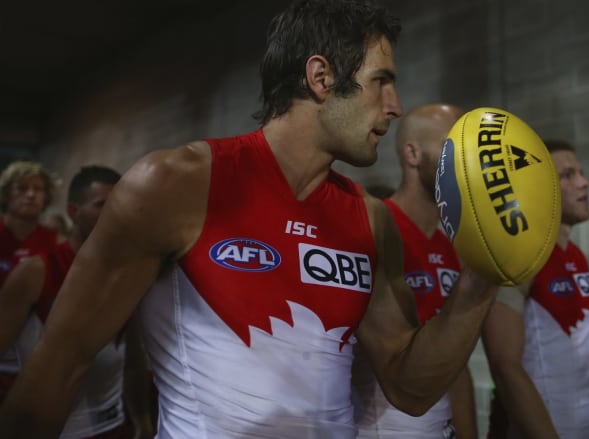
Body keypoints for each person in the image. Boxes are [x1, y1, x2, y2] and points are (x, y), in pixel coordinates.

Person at [0, 1, 497, 437]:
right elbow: (60, 364)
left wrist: (481, 278)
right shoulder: (177, 183)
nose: (395, 106)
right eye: (381, 82)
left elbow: (410, 388)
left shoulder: (371, 220)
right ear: (321, 77)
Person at [352, 104, 477, 439]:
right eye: (455, 147)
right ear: (412, 153)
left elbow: (454, 362)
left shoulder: (453, 244)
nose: (469, 161)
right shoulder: (374, 228)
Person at [0, 165, 152, 438]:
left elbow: (132, 359)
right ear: (73, 212)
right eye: (101, 205)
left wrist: (141, 418)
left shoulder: (132, 271)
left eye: (122, 204)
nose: (115, 213)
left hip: (111, 426)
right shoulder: (36, 271)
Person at [482, 139, 589, 439]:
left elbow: (587, 351)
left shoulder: (576, 256)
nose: (585, 182)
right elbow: (505, 367)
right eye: (568, 175)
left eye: (581, 172)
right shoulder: (521, 257)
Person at [0, 161, 60, 402]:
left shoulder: (55, 241)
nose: (31, 195)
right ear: (6, 194)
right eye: (21, 188)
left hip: (35, 359)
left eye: (38, 189)